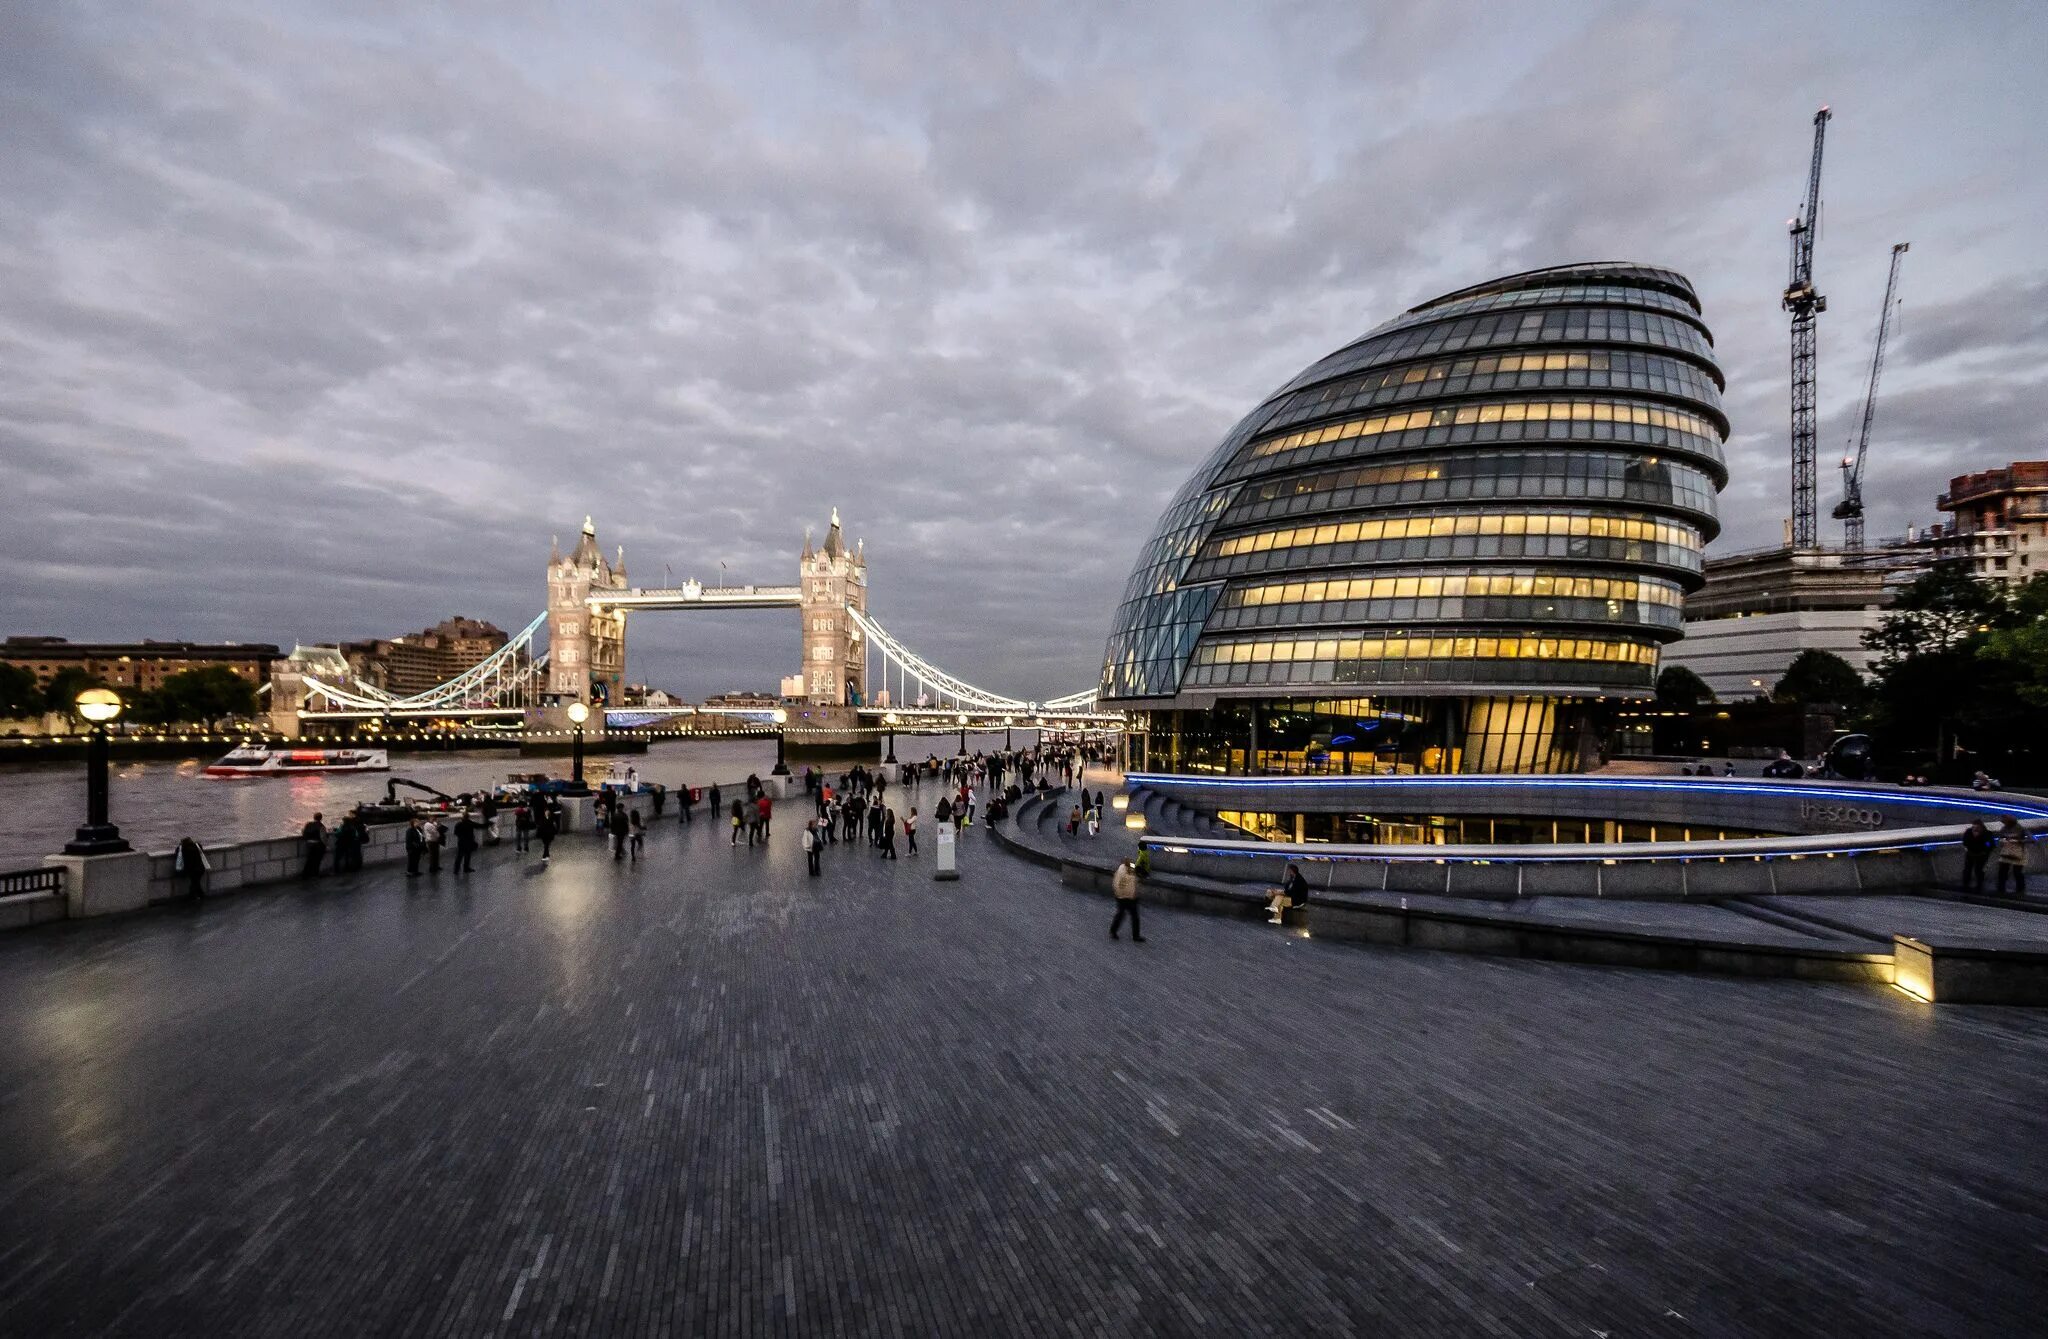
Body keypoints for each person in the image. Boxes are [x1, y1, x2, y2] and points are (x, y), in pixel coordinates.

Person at [1110, 859, 1144, 942]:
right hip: (1128, 898)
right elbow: (1132, 887)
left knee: (1121, 914)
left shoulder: (1121, 868)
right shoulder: (1131, 875)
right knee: (1134, 917)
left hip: (1120, 896)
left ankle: (1113, 931)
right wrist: (1135, 895)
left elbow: (1116, 883)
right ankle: (1136, 936)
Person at [1995, 818, 2029, 898]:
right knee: (2002, 871)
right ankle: (2001, 888)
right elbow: (2000, 837)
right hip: (2006, 852)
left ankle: (2020, 890)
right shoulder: (2004, 828)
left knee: (2017, 872)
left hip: (2018, 852)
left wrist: (2018, 841)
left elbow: (2032, 839)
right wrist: (2003, 840)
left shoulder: (2020, 828)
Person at [1961, 820, 1996, 893]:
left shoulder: (1986, 834)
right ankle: (1965, 884)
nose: (1975, 829)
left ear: (1981, 827)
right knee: (1967, 870)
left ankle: (1979, 885)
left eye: (1977, 827)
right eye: (1974, 827)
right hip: (1970, 854)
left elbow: (1989, 844)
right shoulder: (1968, 832)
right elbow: (1965, 841)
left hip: (1981, 855)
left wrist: (1985, 850)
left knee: (1978, 870)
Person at [175, 836, 209, 901]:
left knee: (194, 883)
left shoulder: (183, 849)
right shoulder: (197, 846)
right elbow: (201, 849)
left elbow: (177, 853)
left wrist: (180, 846)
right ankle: (200, 895)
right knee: (196, 882)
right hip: (200, 868)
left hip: (191, 869)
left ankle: (193, 896)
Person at [301, 812, 328, 879]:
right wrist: (326, 845)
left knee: (309, 859)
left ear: (314, 817)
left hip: (309, 844)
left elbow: (303, 833)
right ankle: (315, 874)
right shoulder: (321, 826)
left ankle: (305, 874)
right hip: (318, 845)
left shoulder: (308, 824)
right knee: (317, 860)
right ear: (321, 818)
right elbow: (323, 837)